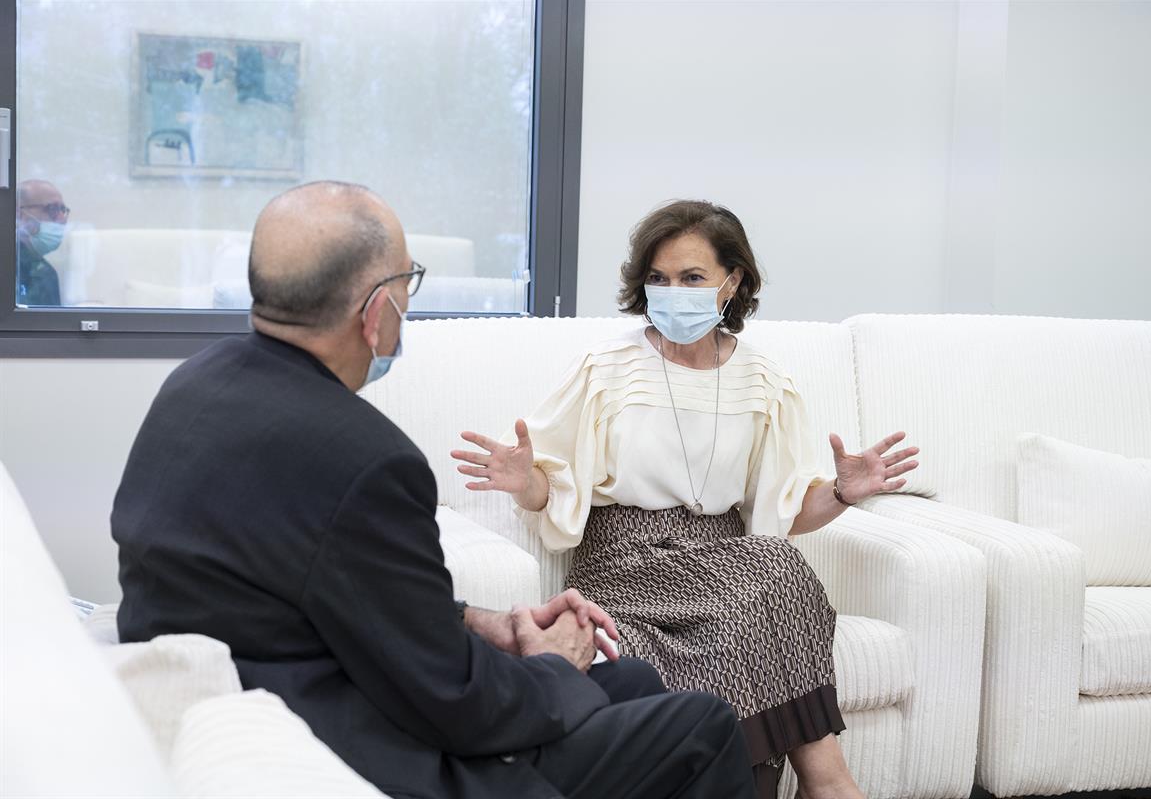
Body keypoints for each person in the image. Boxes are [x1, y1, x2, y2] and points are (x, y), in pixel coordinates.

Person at [113, 182, 756, 799]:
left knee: (633, 678)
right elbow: (457, 706)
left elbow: (330, 587)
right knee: (703, 728)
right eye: (406, 283)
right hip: (354, 744)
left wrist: (487, 624)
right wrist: (553, 664)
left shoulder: (195, 385)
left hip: (276, 680)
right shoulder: (367, 459)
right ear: (375, 311)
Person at [453, 200, 920, 799]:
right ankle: (826, 780)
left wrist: (841, 493)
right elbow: (556, 484)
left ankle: (818, 780)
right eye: (659, 278)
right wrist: (525, 481)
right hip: (625, 562)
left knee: (776, 575)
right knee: (776, 580)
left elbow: (784, 512)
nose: (672, 292)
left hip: (726, 563)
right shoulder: (608, 368)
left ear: (734, 283)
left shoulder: (765, 383)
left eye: (692, 278)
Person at [16, 179, 67, 305]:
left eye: (63, 210)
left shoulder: (47, 273)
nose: (62, 219)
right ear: (18, 214)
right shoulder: (7, 268)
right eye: (52, 208)